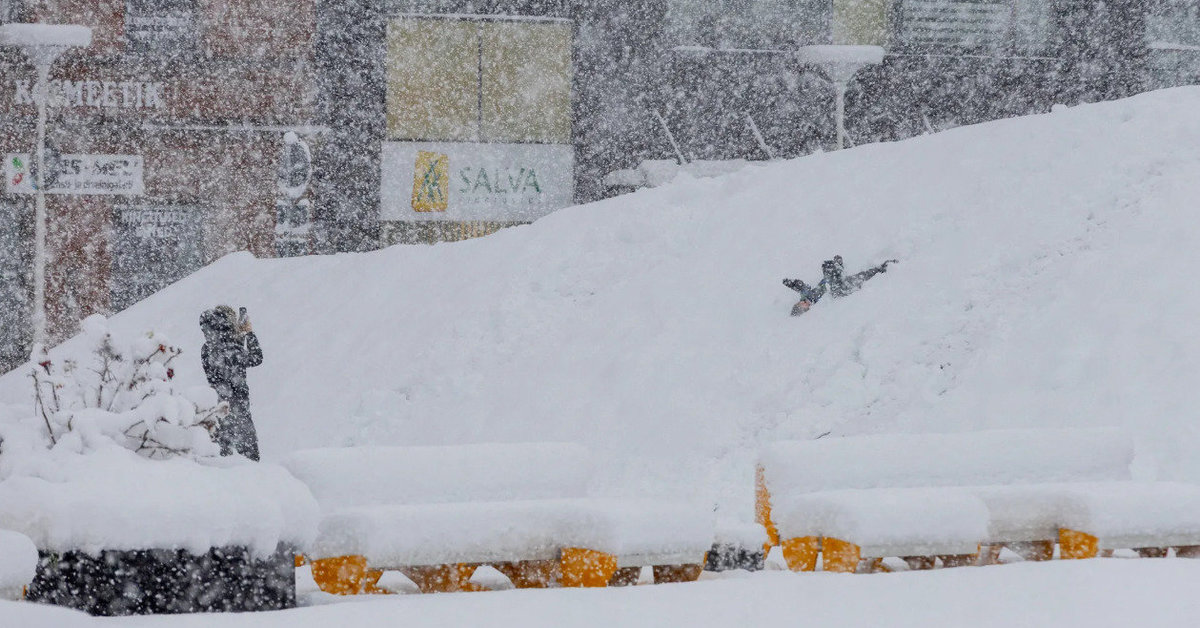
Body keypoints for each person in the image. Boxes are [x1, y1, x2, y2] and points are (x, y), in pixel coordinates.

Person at [200, 305, 264, 460]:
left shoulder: (207, 348)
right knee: (249, 456)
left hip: (218, 408)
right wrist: (249, 333)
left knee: (223, 454)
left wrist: (238, 337)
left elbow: (226, 360)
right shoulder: (232, 349)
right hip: (238, 409)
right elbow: (256, 358)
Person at [783, 255, 896, 315]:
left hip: (831, 283)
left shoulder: (806, 295)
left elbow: (802, 287)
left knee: (833, 277)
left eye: (800, 302)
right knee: (852, 281)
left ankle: (837, 268)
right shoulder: (815, 308)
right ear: (805, 309)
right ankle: (838, 268)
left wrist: (793, 284)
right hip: (837, 290)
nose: (802, 302)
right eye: (802, 305)